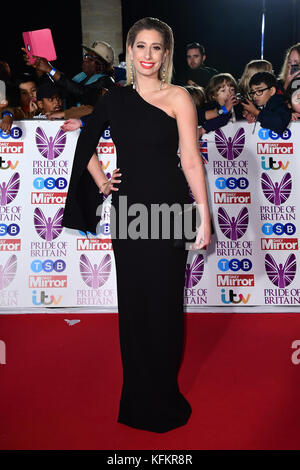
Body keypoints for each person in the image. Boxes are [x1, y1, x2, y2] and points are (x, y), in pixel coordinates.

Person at [62, 17, 211, 433]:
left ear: (166, 54)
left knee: (165, 307)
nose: (147, 55)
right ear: (130, 51)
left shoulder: (180, 97)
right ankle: (139, 398)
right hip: (129, 214)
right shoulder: (113, 100)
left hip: (170, 211)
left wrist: (203, 214)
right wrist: (102, 181)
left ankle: (163, 394)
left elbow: (191, 159)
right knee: (135, 308)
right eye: (140, 47)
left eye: (156, 48)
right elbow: (85, 145)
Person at [24, 41, 115, 109]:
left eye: (88, 57)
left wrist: (50, 69)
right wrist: (40, 67)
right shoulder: (81, 77)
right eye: (85, 55)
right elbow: (59, 87)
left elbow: (82, 92)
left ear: (100, 63)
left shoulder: (107, 81)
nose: (84, 60)